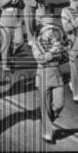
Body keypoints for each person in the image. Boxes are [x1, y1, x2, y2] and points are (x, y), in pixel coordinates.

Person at [30, 14, 67, 144]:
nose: (51, 31)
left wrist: (63, 50)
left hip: (56, 73)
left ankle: (47, 120)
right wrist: (53, 51)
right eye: (48, 28)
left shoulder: (57, 40)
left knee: (59, 104)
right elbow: (40, 59)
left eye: (53, 28)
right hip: (44, 74)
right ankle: (47, 133)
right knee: (45, 106)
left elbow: (65, 58)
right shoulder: (37, 42)